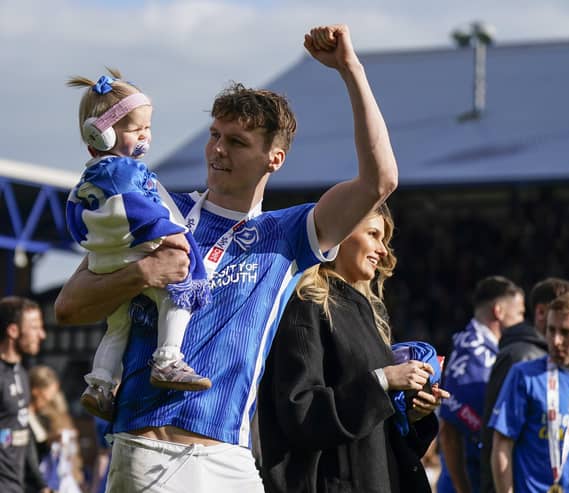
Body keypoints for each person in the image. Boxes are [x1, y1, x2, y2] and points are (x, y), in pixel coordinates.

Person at [54, 24, 398, 493]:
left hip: (231, 457)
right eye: (215, 135)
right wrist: (145, 271)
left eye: (237, 142)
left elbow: (380, 181)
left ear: (274, 159)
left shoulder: (288, 233)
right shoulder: (155, 206)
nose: (217, 150)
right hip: (152, 452)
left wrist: (350, 70)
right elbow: (69, 306)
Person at [258, 203, 449, 493]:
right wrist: (384, 380)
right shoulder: (307, 305)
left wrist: (412, 415)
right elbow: (301, 412)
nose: (382, 250)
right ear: (341, 233)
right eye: (373, 234)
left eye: (384, 240)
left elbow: (375, 435)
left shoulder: (370, 313)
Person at [65, 69, 212, 422]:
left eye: (147, 128)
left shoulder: (90, 176)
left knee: (118, 326)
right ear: (101, 135)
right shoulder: (124, 172)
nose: (146, 136)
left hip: (104, 260)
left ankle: (99, 384)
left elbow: (74, 217)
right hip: (133, 250)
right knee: (176, 293)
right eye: (136, 129)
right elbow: (139, 209)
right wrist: (172, 232)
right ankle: (168, 360)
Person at [489, 292, 569, 492]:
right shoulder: (524, 376)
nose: (555, 340)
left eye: (566, 332)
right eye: (551, 330)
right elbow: (502, 444)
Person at [479, 277, 569, 493]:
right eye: (567, 310)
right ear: (541, 313)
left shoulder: (556, 363)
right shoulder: (522, 359)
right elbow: (497, 440)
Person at [437, 276, 525, 493]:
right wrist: (463, 489)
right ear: (499, 311)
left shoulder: (472, 345)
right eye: (520, 313)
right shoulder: (476, 356)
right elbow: (449, 429)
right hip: (467, 481)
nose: (522, 322)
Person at [0, 296, 49, 493]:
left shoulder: (21, 373)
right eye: (35, 327)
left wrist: (41, 485)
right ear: (13, 331)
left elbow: (21, 433)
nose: (42, 334)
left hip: (17, 487)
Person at [29, 366, 84, 493]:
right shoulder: (31, 416)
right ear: (37, 391)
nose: (50, 399)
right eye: (49, 394)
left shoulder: (53, 412)